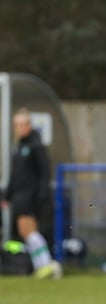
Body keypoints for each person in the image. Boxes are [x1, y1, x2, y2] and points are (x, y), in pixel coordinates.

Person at [1, 108, 62, 279]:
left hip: (31, 196)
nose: (19, 128)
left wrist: (41, 195)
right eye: (16, 125)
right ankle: (41, 266)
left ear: (29, 125)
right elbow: (14, 175)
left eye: (22, 124)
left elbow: (44, 173)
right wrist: (7, 196)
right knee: (27, 232)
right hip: (19, 196)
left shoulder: (36, 146)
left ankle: (47, 263)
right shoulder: (17, 147)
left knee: (27, 230)